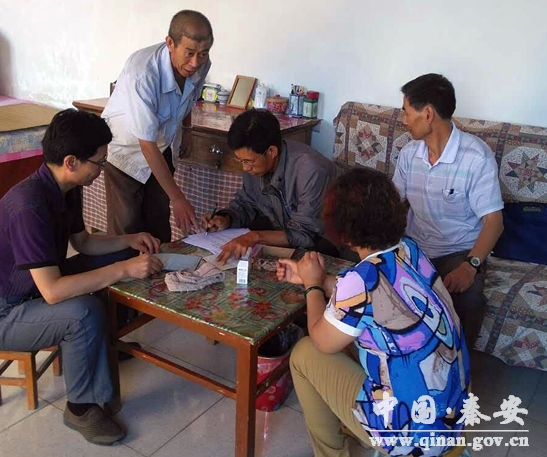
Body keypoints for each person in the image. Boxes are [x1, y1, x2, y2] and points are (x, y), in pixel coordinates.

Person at [0, 109, 163, 446]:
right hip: (1, 313)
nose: (102, 170)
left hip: (33, 291)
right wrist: (124, 270)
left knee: (117, 257)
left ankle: (102, 348)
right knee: (84, 312)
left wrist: (128, 241)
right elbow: (54, 292)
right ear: (71, 161)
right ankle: (80, 408)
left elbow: (83, 242)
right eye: (99, 163)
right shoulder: (29, 207)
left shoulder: (66, 187)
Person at [279, 167, 470, 457]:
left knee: (304, 353)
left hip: (407, 437)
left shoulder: (359, 281)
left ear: (344, 232)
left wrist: (312, 286)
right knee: (349, 339)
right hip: (452, 416)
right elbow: (370, 295)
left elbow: (322, 340)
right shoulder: (409, 250)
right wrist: (316, 279)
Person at [393, 73, 504, 349]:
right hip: (415, 247)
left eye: (406, 111)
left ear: (428, 114)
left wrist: (470, 266)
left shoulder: (476, 157)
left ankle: (459, 366)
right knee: (374, 278)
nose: (403, 120)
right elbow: (393, 204)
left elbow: (494, 222)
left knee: (468, 299)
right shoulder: (409, 154)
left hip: (459, 252)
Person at [102, 10, 213, 241]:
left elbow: (190, 97)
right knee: (128, 231)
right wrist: (178, 198)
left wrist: (188, 130)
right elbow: (146, 144)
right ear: (170, 43)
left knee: (159, 226)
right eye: (189, 53)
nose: (195, 63)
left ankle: (161, 266)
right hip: (127, 153)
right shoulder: (143, 73)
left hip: (161, 149)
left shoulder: (202, 64)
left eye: (203, 54)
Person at [202, 109, 337, 263]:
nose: (245, 168)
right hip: (286, 230)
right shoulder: (256, 165)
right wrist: (226, 219)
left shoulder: (310, 170)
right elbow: (246, 204)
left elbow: (304, 234)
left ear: (271, 151)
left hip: (324, 240)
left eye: (248, 161)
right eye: (241, 161)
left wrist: (254, 237)